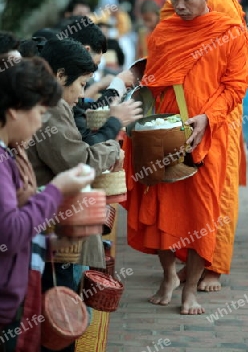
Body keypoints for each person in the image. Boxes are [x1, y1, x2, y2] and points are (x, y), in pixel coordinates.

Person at [123, 0, 248, 315]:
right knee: (162, 208)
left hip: (208, 136)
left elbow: (236, 85)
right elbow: (152, 81)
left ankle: (190, 288)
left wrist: (208, 117)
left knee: (202, 215)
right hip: (164, 133)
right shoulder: (163, 32)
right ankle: (168, 275)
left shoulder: (229, 31)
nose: (179, 5)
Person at [156, 0, 248, 291]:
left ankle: (212, 264)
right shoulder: (169, 16)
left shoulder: (223, 12)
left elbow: (239, 76)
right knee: (169, 195)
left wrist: (210, 114)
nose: (177, 0)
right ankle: (181, 264)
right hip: (174, 117)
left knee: (215, 194)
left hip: (217, 116)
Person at [27, 39, 122, 352]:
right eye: (81, 84)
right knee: (57, 324)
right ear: (59, 75)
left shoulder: (53, 107)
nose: (83, 94)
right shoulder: (49, 111)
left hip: (53, 232)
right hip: (53, 235)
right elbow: (79, 162)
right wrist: (112, 146)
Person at [0, 55, 96, 352]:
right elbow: (9, 232)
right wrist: (55, 190)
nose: (41, 122)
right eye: (40, 112)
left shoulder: (9, 155)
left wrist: (55, 239)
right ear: (15, 111)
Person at [65, 17, 142, 146]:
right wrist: (115, 120)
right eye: (95, 65)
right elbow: (87, 146)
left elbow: (85, 110)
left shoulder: (68, 77)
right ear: (86, 51)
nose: (92, 72)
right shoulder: (66, 81)